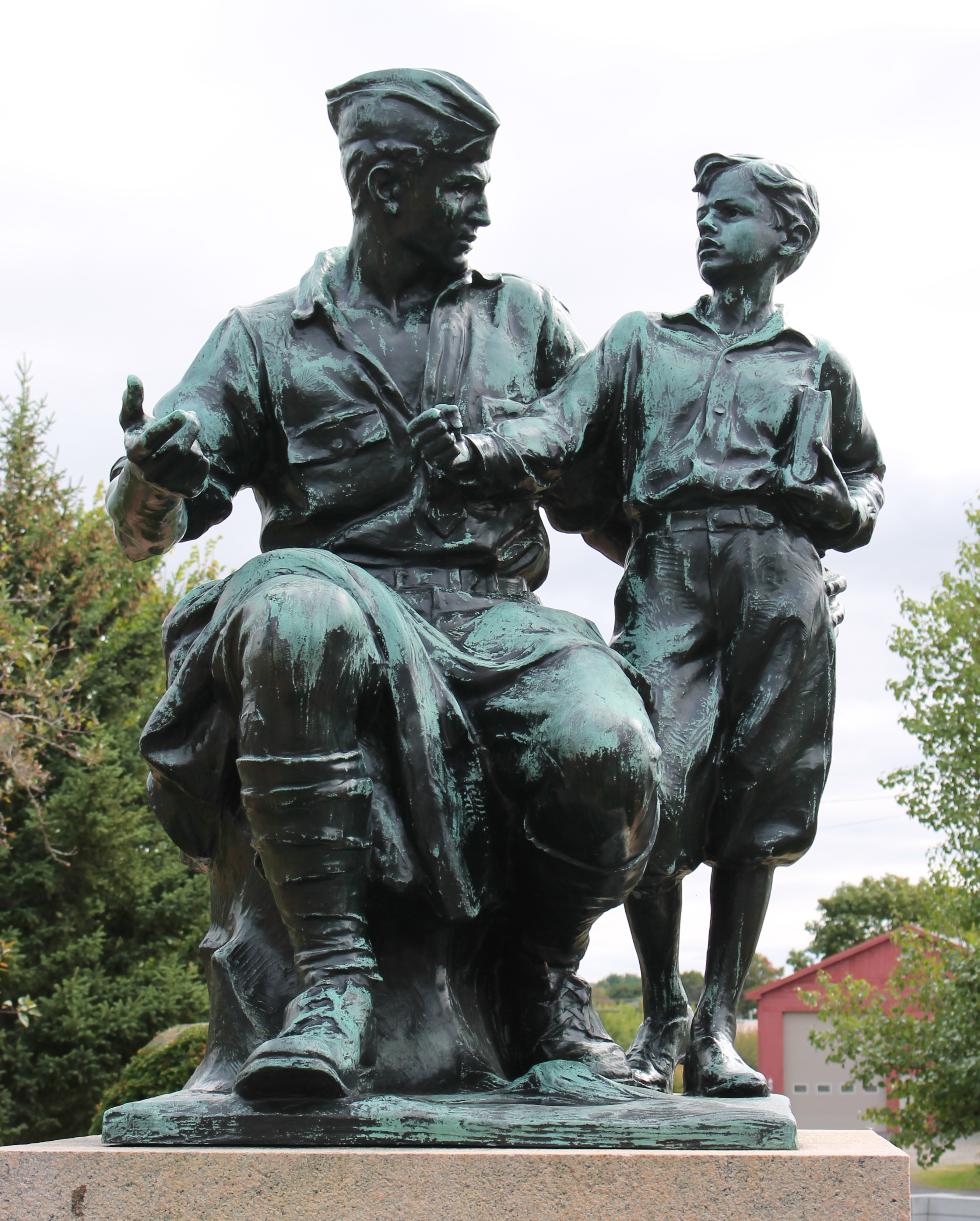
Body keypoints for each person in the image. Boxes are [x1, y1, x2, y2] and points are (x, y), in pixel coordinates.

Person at [106, 69, 660, 1102]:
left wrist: (727, 562)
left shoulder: (523, 316)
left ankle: (539, 986)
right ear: (382, 181)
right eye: (460, 186)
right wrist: (152, 479)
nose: (482, 209)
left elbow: (607, 501)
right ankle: (330, 984)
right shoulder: (266, 337)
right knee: (294, 612)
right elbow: (149, 530)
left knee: (607, 748)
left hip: (493, 619)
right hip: (340, 596)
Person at [412, 152, 884, 1097]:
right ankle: (661, 1005)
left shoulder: (816, 364)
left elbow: (867, 486)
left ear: (785, 238)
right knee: (652, 788)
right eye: (703, 211)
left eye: (732, 212)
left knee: (759, 809)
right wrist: (479, 448)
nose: (708, 225)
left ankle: (715, 1025)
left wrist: (833, 502)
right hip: (670, 572)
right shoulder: (642, 341)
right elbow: (559, 423)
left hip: (783, 582)